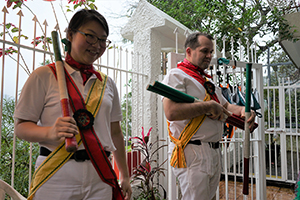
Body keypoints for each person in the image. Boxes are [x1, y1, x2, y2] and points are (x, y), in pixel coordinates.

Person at [14, 9, 131, 200]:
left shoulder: (107, 83)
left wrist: (124, 175)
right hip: (57, 174)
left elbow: (115, 131)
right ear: (70, 34)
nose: (97, 45)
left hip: (100, 176)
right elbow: (21, 127)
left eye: (102, 40)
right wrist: (50, 132)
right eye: (90, 36)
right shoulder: (44, 75)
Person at [162, 32, 256, 200]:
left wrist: (242, 111)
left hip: (213, 150)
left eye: (211, 52)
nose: (209, 56)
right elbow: (171, 111)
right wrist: (208, 106)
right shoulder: (176, 76)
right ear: (189, 51)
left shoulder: (207, 80)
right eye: (205, 51)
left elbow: (226, 106)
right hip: (193, 150)